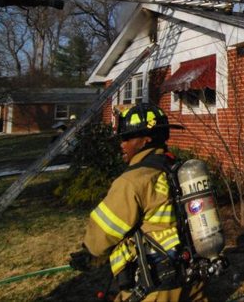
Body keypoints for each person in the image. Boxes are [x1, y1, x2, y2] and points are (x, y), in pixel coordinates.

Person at [69, 103, 206, 302]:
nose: (121, 144)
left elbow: (103, 232)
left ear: (145, 140)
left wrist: (90, 254)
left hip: (157, 283)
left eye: (126, 138)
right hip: (193, 277)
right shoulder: (177, 169)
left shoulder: (133, 181)